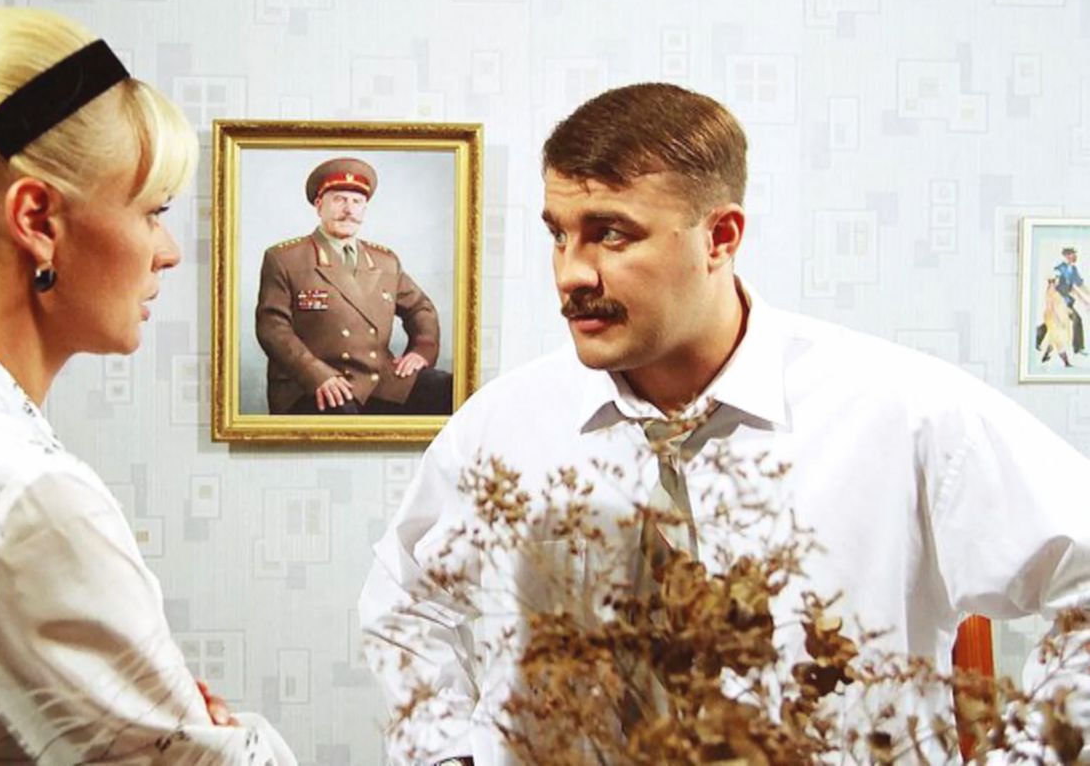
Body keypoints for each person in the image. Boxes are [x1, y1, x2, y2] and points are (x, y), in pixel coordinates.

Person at [360, 82, 1090, 764]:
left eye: (611, 234)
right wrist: (446, 754)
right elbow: (405, 598)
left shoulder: (906, 416)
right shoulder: (500, 432)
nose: (571, 273)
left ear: (720, 236)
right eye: (559, 234)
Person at [0, 8, 295, 765]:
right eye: (153, 211)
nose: (169, 251)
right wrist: (231, 739)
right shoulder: (29, 503)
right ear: (38, 219)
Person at [255, 156, 453, 415]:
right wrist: (315, 374)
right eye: (339, 199)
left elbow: (420, 309)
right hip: (312, 382)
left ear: (364, 209)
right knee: (342, 413)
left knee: (447, 389)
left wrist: (422, 350)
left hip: (378, 380)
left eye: (357, 201)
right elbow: (273, 329)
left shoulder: (385, 261)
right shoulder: (285, 258)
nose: (349, 209)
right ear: (319, 205)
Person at [1054, 246, 1090, 354]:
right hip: (1058, 301)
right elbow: (1055, 284)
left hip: (1067, 302)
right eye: (1071, 254)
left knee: (1055, 322)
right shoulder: (1060, 268)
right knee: (1076, 320)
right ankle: (1078, 348)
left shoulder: (1073, 270)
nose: (1074, 256)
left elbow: (1080, 285)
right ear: (1066, 256)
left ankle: (1038, 337)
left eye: (1074, 254)